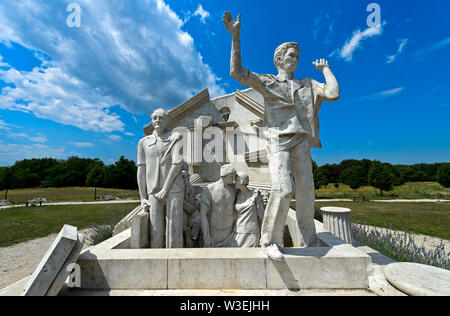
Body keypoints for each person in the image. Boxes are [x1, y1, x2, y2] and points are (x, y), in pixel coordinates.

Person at [223, 12, 340, 260]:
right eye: (291, 56)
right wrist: (236, 36)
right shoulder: (268, 82)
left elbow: (332, 93)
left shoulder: (308, 83)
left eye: (297, 57)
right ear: (279, 58)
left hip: (301, 139)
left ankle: (310, 239)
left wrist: (326, 69)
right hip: (277, 139)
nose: (295, 60)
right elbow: (237, 73)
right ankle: (271, 240)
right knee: (284, 189)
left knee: (307, 191)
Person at [137, 108, 185, 248]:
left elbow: (177, 163)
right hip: (153, 189)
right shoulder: (143, 142)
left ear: (168, 120)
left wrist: (165, 189)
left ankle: (176, 259)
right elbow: (141, 169)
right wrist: (142, 197)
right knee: (155, 230)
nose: (157, 120)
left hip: (174, 188)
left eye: (161, 117)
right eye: (155, 118)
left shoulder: (176, 137)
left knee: (174, 229)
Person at [200, 164, 237, 248]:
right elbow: (203, 214)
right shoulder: (210, 189)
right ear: (225, 175)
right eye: (232, 176)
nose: (233, 179)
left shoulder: (234, 190)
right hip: (214, 233)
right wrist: (206, 236)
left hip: (229, 233)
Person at [231, 173, 265, 248]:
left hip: (251, 232)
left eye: (237, 180)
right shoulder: (237, 194)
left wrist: (265, 235)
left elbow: (262, 216)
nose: (235, 182)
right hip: (238, 230)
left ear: (242, 180)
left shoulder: (255, 194)